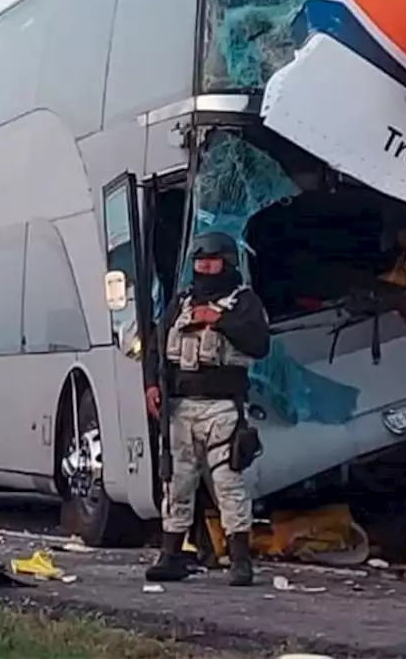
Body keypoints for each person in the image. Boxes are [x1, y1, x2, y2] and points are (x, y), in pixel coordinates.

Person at [143, 231, 271, 586]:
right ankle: (170, 555)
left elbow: (260, 343)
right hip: (180, 407)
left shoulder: (243, 302)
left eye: (210, 261)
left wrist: (218, 320)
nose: (203, 268)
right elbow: (157, 343)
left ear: (227, 263)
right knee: (176, 482)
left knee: (228, 483)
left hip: (222, 408)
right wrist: (152, 385)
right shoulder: (181, 301)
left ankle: (240, 561)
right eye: (199, 262)